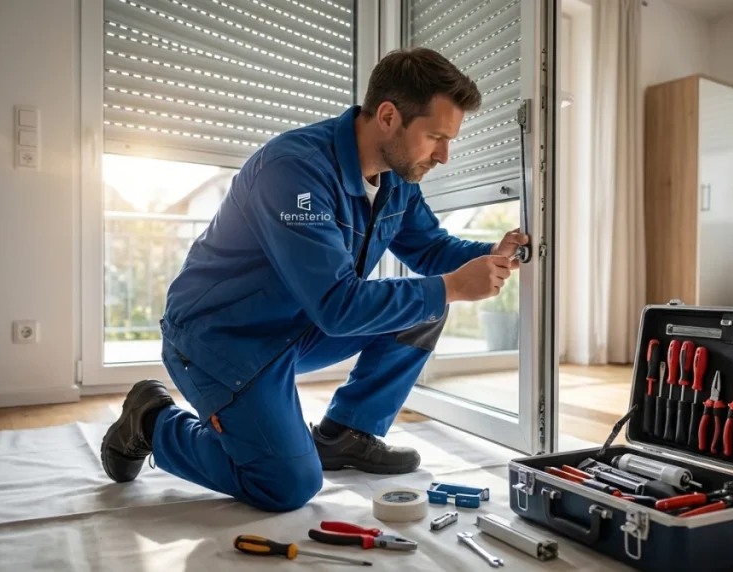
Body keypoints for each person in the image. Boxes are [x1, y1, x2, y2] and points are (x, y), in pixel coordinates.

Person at [100, 47, 529, 512]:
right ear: (389, 116)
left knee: (425, 307)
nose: (444, 156)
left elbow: (430, 249)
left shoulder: (398, 179)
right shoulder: (293, 170)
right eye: (436, 137)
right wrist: (453, 286)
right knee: (286, 484)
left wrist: (491, 252)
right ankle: (152, 422)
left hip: (298, 326)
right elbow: (338, 306)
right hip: (223, 341)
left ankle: (346, 434)